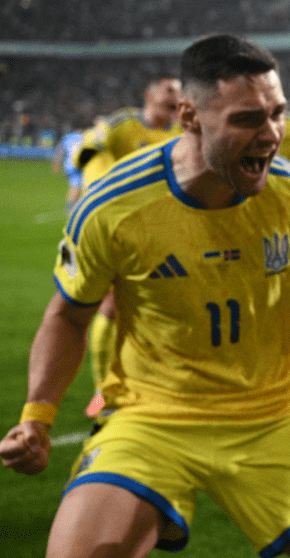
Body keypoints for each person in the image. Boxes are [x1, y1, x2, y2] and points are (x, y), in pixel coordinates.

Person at [0, 34, 290, 558]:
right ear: (189, 115)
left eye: (278, 113)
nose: (271, 134)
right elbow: (69, 314)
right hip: (151, 419)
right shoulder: (114, 206)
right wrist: (37, 416)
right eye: (247, 119)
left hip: (275, 418)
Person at [76, 75, 184, 418]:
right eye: (170, 91)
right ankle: (103, 389)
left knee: (165, 306)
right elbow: (86, 154)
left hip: (165, 230)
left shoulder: (181, 133)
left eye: (180, 93)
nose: (177, 98)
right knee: (111, 305)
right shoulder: (123, 125)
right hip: (123, 228)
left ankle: (153, 381)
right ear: (149, 95)